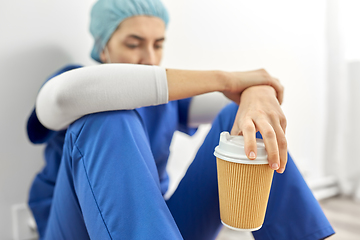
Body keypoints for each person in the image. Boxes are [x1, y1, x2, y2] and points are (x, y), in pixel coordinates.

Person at [26, 0, 335, 239]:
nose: (148, 57)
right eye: (133, 44)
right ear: (103, 46)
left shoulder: (164, 100)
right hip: (77, 229)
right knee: (105, 114)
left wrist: (255, 94)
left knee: (237, 120)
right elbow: (62, 97)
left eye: (158, 44)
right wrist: (229, 79)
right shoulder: (76, 82)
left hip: (155, 227)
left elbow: (235, 102)